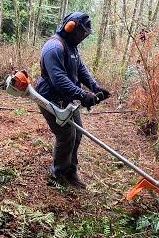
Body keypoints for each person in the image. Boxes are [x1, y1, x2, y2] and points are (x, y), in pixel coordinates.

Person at [34, 11, 110, 188]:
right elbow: (59, 79)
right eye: (81, 32)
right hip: (49, 96)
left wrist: (94, 87)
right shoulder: (54, 47)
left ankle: (70, 171)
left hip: (66, 97)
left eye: (85, 34)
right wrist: (82, 95)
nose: (83, 36)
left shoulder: (71, 46)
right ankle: (58, 174)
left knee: (78, 133)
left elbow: (80, 68)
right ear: (70, 28)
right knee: (66, 134)